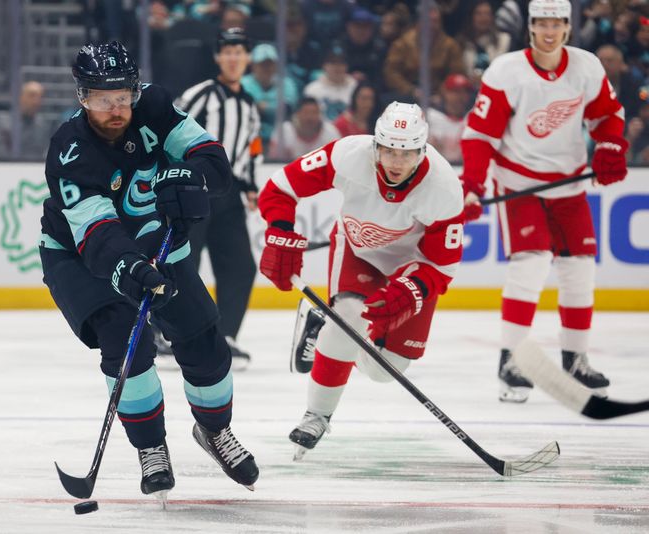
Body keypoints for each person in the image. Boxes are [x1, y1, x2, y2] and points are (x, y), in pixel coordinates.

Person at [38, 41, 259, 499]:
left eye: (123, 96)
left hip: (152, 238)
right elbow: (96, 235)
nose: (117, 109)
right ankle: (150, 447)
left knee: (203, 336)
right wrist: (131, 267)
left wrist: (192, 178)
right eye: (103, 99)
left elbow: (209, 155)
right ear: (82, 97)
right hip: (81, 257)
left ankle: (214, 431)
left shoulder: (154, 107)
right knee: (125, 341)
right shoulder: (69, 151)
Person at [258, 102, 464, 459]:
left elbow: (442, 265)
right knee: (349, 318)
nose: (396, 162)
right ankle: (317, 415)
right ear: (375, 146)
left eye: (407, 153)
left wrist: (413, 289)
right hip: (358, 251)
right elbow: (280, 187)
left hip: (413, 266)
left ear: (422, 150)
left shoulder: (444, 187)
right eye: (388, 151)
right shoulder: (347, 154)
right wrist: (279, 230)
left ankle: (323, 330)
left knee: (387, 371)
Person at [460, 0, 628, 403]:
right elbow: (480, 135)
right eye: (541, 24)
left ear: (567, 28)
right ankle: (512, 360)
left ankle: (575, 361)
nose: (549, 32)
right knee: (531, 263)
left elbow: (608, 114)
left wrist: (608, 143)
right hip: (519, 180)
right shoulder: (506, 71)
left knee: (580, 268)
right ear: (530, 28)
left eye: (556, 24)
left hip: (569, 184)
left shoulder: (586, 66)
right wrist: (473, 185)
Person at [174, 28, 263, 367]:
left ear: (248, 58)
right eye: (227, 51)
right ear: (217, 57)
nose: (233, 57)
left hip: (227, 196)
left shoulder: (249, 105)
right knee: (183, 263)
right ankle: (171, 334)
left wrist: (251, 185)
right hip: (192, 191)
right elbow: (171, 132)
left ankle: (224, 337)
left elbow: (251, 149)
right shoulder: (200, 95)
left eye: (239, 51)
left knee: (241, 266)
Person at [268, 96, 341, 161]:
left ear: (320, 114)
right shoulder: (284, 131)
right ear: (297, 114)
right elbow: (274, 162)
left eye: (314, 113)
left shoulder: (330, 132)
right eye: (305, 113)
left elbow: (337, 160)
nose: (310, 117)